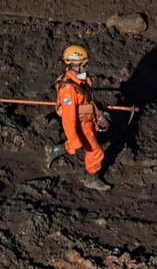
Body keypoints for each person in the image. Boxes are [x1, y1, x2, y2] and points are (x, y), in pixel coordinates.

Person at [44, 44, 113, 190]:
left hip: (87, 118)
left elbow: (87, 98)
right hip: (81, 123)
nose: (86, 67)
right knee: (96, 152)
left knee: (87, 143)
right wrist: (74, 140)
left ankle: (54, 150)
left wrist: (98, 109)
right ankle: (91, 178)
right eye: (84, 64)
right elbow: (68, 120)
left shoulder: (78, 81)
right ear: (74, 65)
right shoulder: (68, 90)